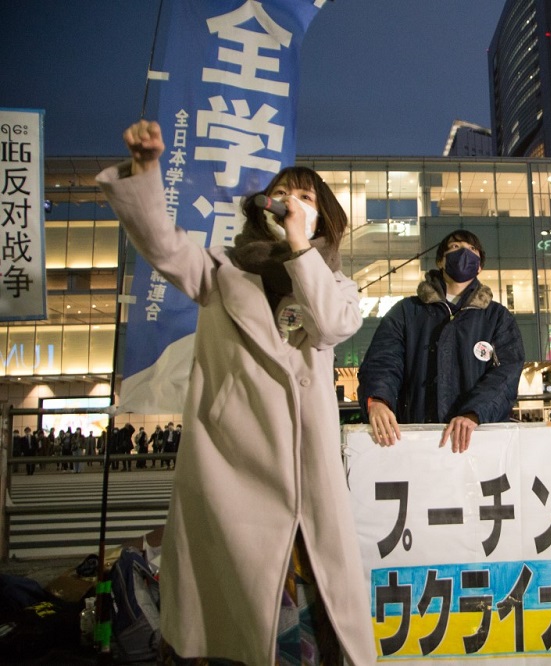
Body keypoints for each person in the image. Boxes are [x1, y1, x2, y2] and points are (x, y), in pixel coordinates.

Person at [96, 119, 375, 664]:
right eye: (283, 194)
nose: (291, 203)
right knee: (242, 630)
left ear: (324, 217)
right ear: (262, 207)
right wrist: (145, 172)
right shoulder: (222, 271)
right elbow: (164, 246)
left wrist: (301, 248)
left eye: (305, 198)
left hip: (308, 483)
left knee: (314, 626)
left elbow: (333, 326)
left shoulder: (336, 285)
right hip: (233, 476)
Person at [358, 229, 525, 453]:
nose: (464, 252)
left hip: (479, 442)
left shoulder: (497, 318)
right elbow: (383, 360)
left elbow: (507, 373)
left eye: (472, 249)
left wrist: (474, 412)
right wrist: (378, 399)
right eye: (455, 247)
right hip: (416, 442)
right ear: (440, 260)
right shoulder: (407, 312)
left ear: (479, 266)